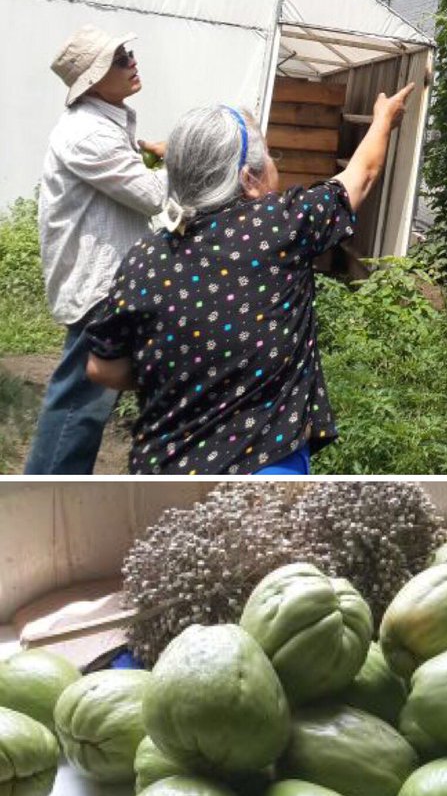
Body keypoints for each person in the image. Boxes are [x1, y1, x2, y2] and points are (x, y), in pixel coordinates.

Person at [83, 82, 415, 474]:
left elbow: (101, 368)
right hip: (265, 472)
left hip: (163, 473)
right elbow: (361, 176)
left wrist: (187, 370)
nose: (273, 161)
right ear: (249, 179)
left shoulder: (145, 258)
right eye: (269, 156)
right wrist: (383, 120)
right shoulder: (283, 225)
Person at [24, 26, 168, 474]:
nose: (131, 61)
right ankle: (46, 498)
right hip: (99, 284)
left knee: (85, 398)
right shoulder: (88, 133)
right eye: (119, 58)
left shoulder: (105, 124)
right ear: (92, 81)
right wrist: (186, 157)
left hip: (108, 279)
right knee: (79, 405)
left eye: (128, 52)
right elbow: (152, 196)